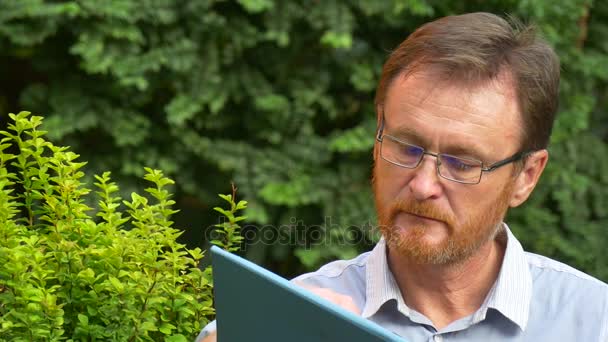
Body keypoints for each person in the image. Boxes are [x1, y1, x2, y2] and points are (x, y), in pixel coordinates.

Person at [198, 12, 608, 341]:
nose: (424, 184)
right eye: (406, 147)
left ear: (526, 176)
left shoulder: (593, 321)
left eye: (463, 163)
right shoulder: (288, 318)